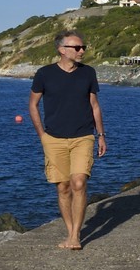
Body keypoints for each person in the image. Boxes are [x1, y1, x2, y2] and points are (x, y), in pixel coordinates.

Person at [27, 31, 107, 250]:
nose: (82, 51)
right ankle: (70, 231)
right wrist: (42, 135)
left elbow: (95, 106)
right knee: (63, 187)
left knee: (79, 182)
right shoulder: (44, 74)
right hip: (53, 138)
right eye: (77, 48)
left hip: (83, 136)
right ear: (62, 50)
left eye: (83, 48)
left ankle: (75, 237)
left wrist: (101, 135)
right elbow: (33, 105)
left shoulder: (88, 73)